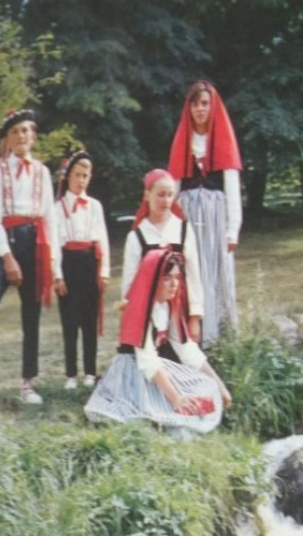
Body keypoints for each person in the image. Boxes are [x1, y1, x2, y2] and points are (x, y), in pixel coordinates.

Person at [85, 249, 230, 437]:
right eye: (167, 278)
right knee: (162, 412)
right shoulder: (140, 310)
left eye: (177, 277)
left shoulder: (167, 305)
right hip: (133, 372)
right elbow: (148, 362)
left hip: (155, 370)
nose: (174, 284)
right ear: (153, 279)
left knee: (206, 386)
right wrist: (176, 398)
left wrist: (220, 386)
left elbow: (186, 349)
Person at [0, 108, 63, 404]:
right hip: (4, 241)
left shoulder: (42, 172)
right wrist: (7, 256)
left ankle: (27, 382)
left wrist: (53, 260)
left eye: (26, 130)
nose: (21, 136)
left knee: (31, 313)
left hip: (34, 240)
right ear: (7, 139)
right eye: (15, 131)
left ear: (33, 136)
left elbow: (49, 217)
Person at [167, 79, 243, 346]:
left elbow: (232, 189)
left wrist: (233, 230)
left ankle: (221, 336)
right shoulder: (184, 141)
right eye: (195, 104)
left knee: (217, 270)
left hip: (215, 215)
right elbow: (173, 185)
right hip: (189, 215)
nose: (200, 109)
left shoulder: (221, 139)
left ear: (212, 107)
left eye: (205, 103)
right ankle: (192, 335)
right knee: (192, 271)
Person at [123, 169, 204, 342]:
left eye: (169, 195)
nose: (166, 200)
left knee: (184, 357)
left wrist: (195, 317)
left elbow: (193, 274)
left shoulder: (183, 230)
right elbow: (129, 283)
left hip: (180, 308)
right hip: (149, 313)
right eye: (160, 195)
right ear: (147, 195)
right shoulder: (137, 236)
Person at [54, 150, 110, 390]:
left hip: (89, 263)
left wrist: (104, 271)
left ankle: (89, 371)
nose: (81, 180)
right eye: (77, 175)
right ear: (68, 176)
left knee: (88, 320)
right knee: (70, 321)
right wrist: (58, 275)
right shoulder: (57, 208)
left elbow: (103, 241)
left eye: (85, 176)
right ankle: (70, 374)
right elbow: (54, 245)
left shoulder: (94, 206)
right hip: (68, 263)